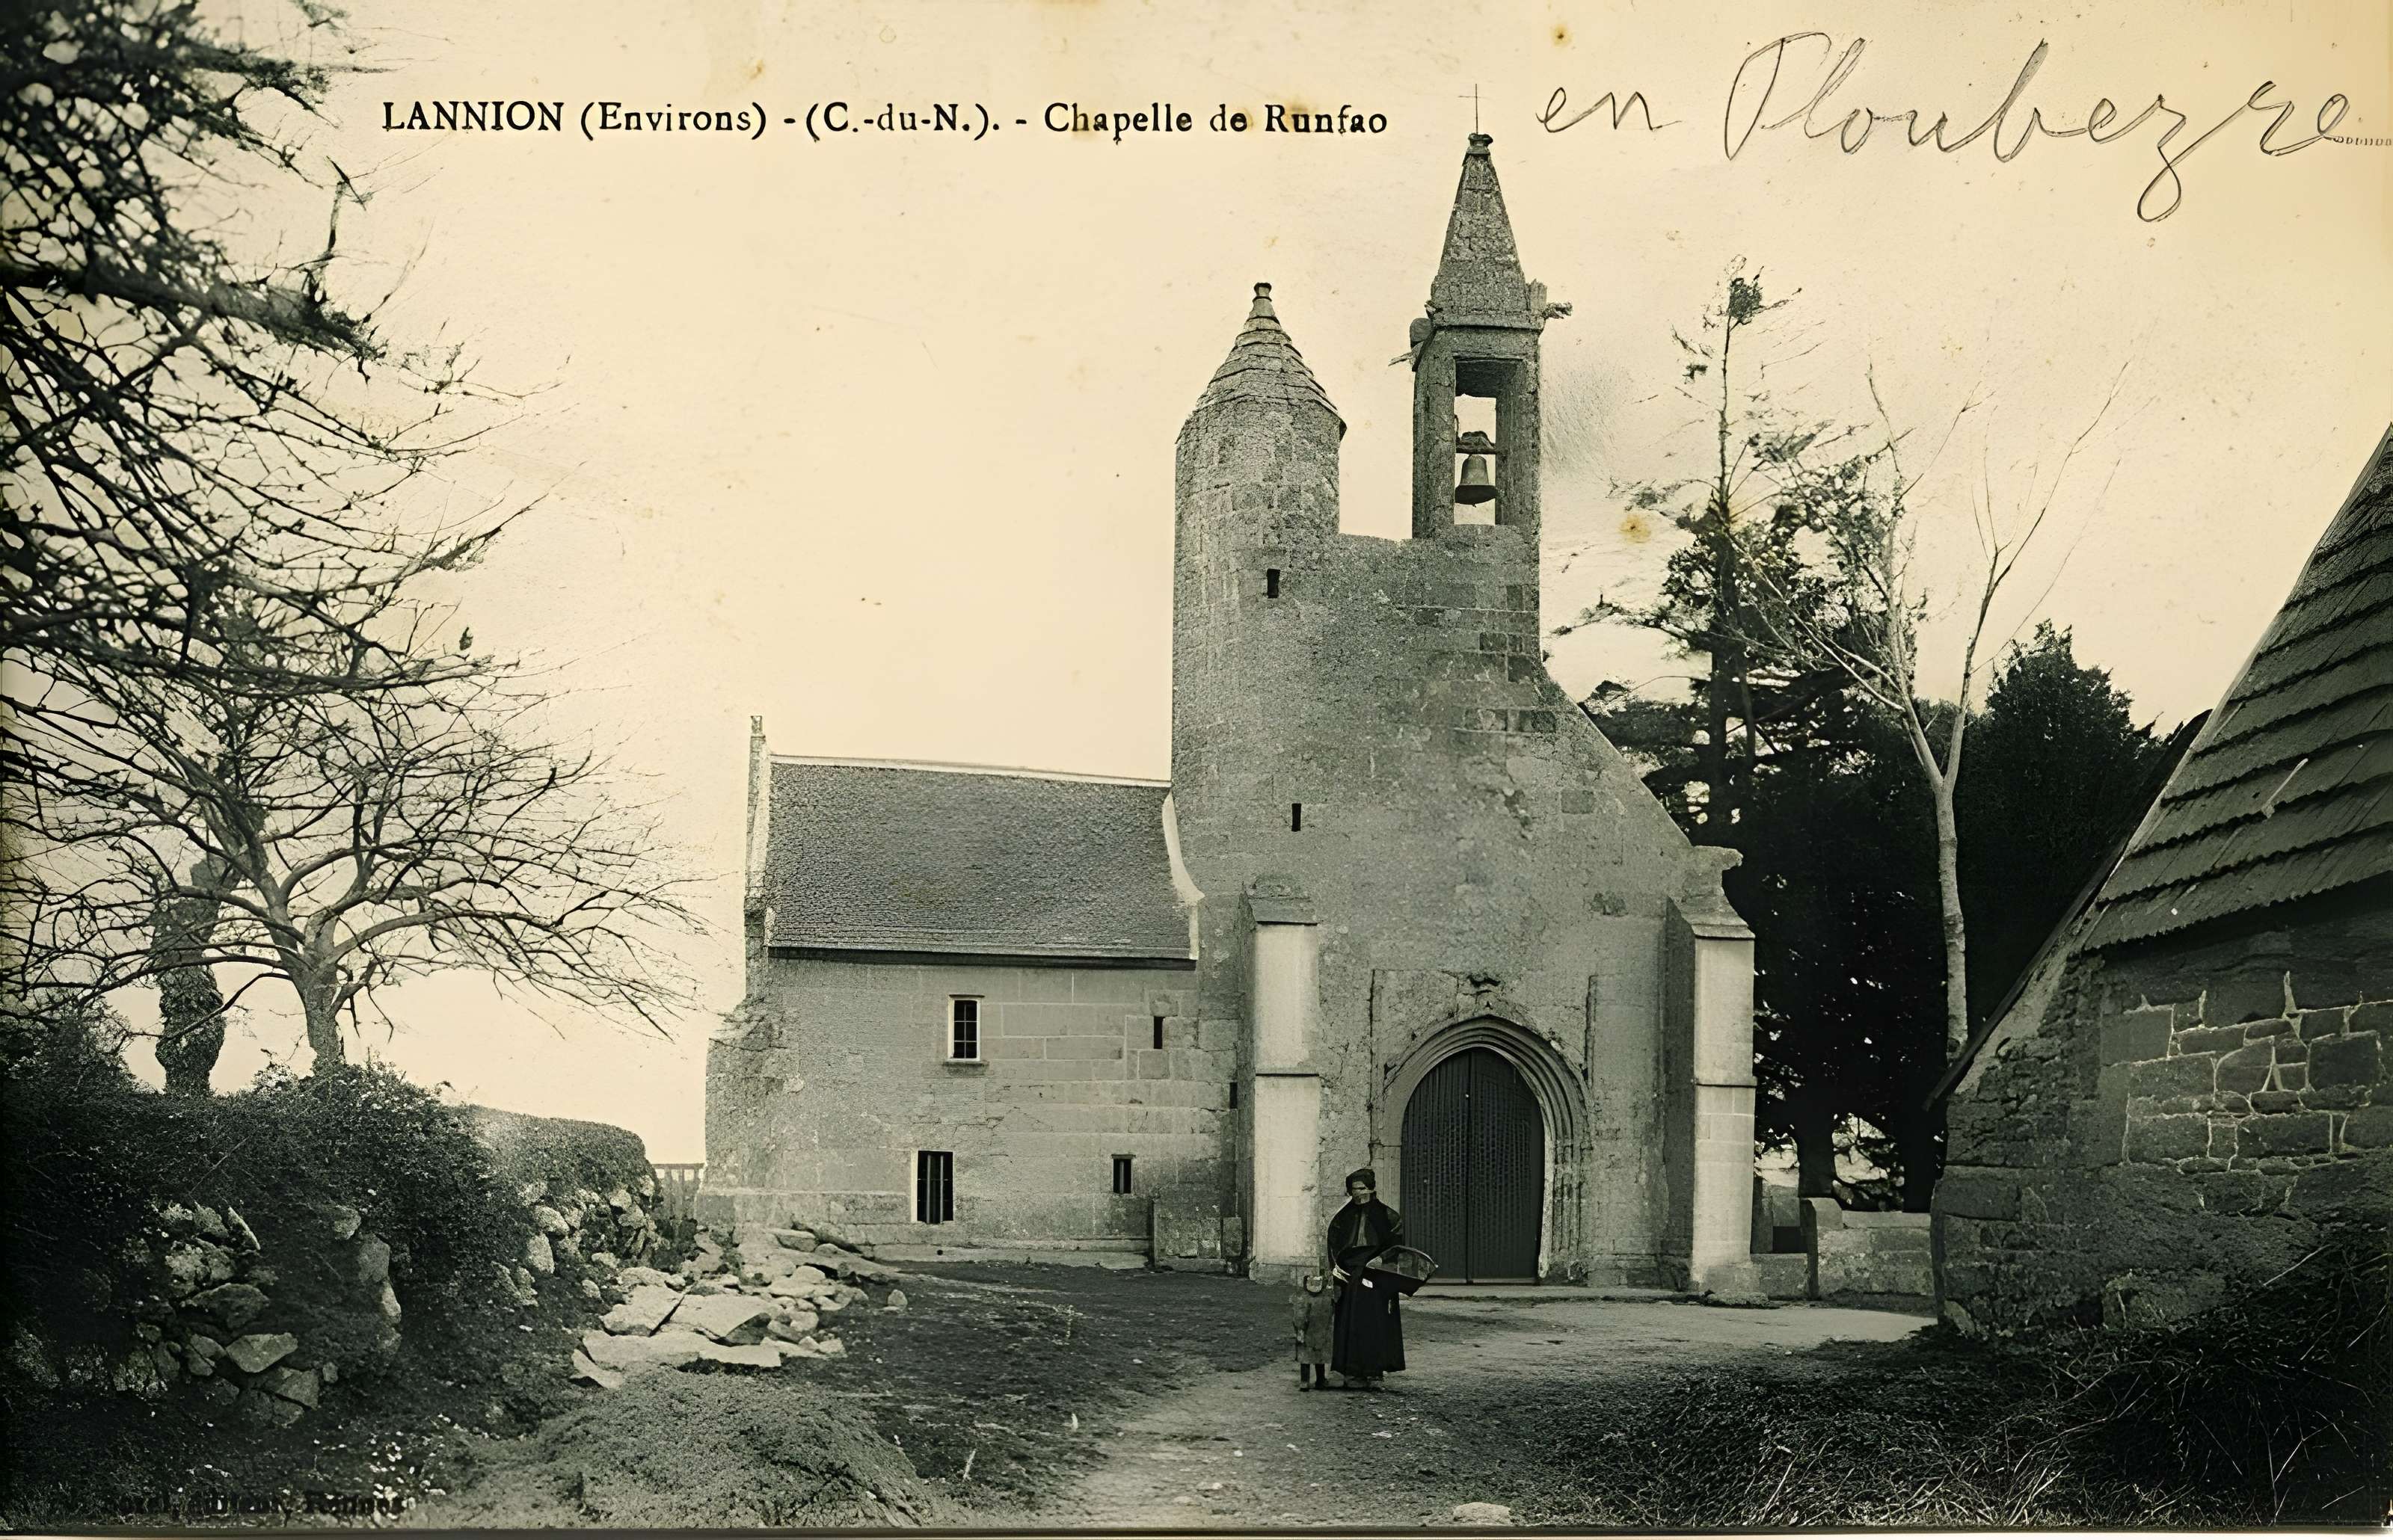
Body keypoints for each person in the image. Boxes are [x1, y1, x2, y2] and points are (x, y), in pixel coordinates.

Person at [1324, 1167, 1405, 1390]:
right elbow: (1334, 1246)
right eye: (1353, 1190)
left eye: (1361, 1189)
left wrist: (1382, 1260)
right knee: (1348, 1323)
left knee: (1375, 1323)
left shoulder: (1388, 1216)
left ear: (1371, 1189)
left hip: (1375, 1277)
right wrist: (1337, 1272)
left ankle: (1373, 1373)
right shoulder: (1343, 1218)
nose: (1357, 1194)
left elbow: (1397, 1246)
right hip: (1350, 1276)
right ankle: (1349, 1372)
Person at [1291, 1271, 1333, 1390]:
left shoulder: (1303, 1299)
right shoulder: (1327, 1299)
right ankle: (1320, 1380)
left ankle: (1305, 1381)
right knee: (1319, 1357)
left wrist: (1299, 1329)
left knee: (1305, 1357)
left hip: (1307, 1332)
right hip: (1321, 1334)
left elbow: (1299, 1317)